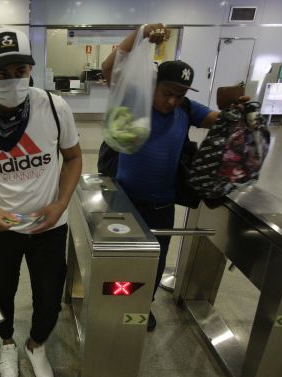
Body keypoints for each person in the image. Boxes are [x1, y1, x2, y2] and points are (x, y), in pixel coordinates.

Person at [0, 26, 82, 377]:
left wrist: (60, 203)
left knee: (49, 300)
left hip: (48, 226)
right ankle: (7, 342)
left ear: (30, 68)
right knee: (2, 293)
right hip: (1, 228)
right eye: (1, 74)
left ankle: (36, 344)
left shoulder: (55, 107)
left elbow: (72, 158)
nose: (12, 80)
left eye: (19, 71)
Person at [101, 24, 247, 332]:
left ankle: (144, 305)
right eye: (168, 93)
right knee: (121, 257)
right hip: (124, 198)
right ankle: (116, 303)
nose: (172, 102)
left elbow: (218, 121)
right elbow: (110, 66)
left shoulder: (187, 109)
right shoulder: (133, 98)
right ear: (154, 84)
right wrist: (140, 33)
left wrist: (239, 113)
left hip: (162, 203)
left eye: (179, 96)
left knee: (155, 258)